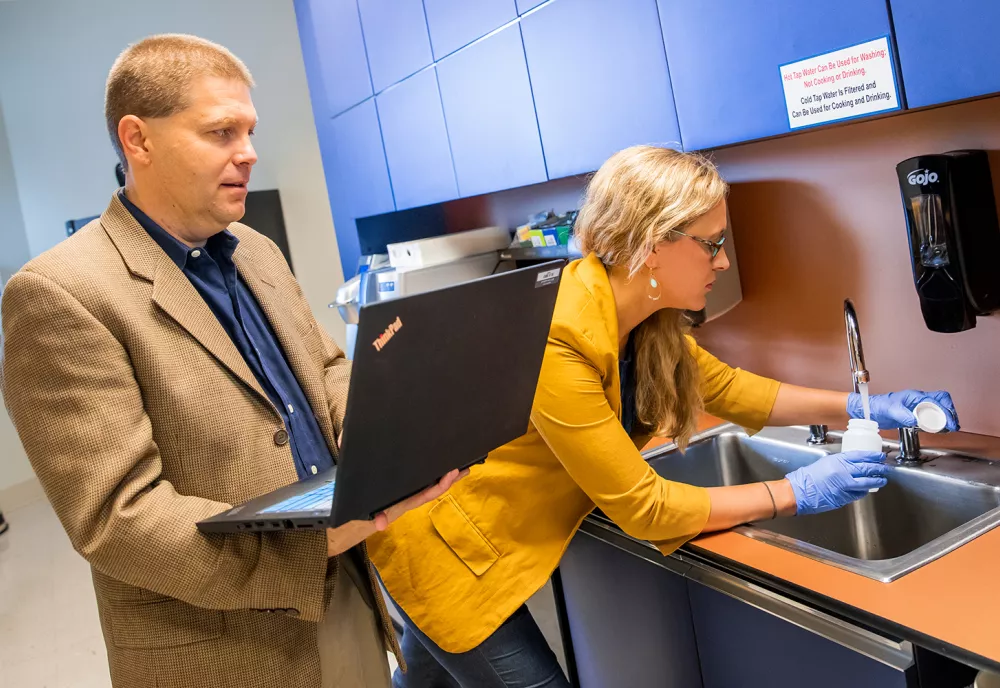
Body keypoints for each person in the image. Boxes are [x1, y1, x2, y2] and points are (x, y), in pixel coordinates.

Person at [369, 146, 960, 688]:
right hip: (453, 557)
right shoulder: (557, 333)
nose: (724, 260)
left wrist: (862, 407)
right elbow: (644, 508)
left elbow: (729, 388)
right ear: (654, 244)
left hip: (493, 546)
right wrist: (793, 492)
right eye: (711, 242)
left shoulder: (644, 316)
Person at [0, 34, 462, 688]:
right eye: (220, 132)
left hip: (347, 603)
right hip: (224, 649)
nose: (247, 153)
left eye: (249, 131)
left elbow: (324, 373)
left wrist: (395, 436)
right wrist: (314, 546)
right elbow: (118, 517)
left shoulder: (254, 249)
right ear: (138, 140)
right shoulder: (61, 293)